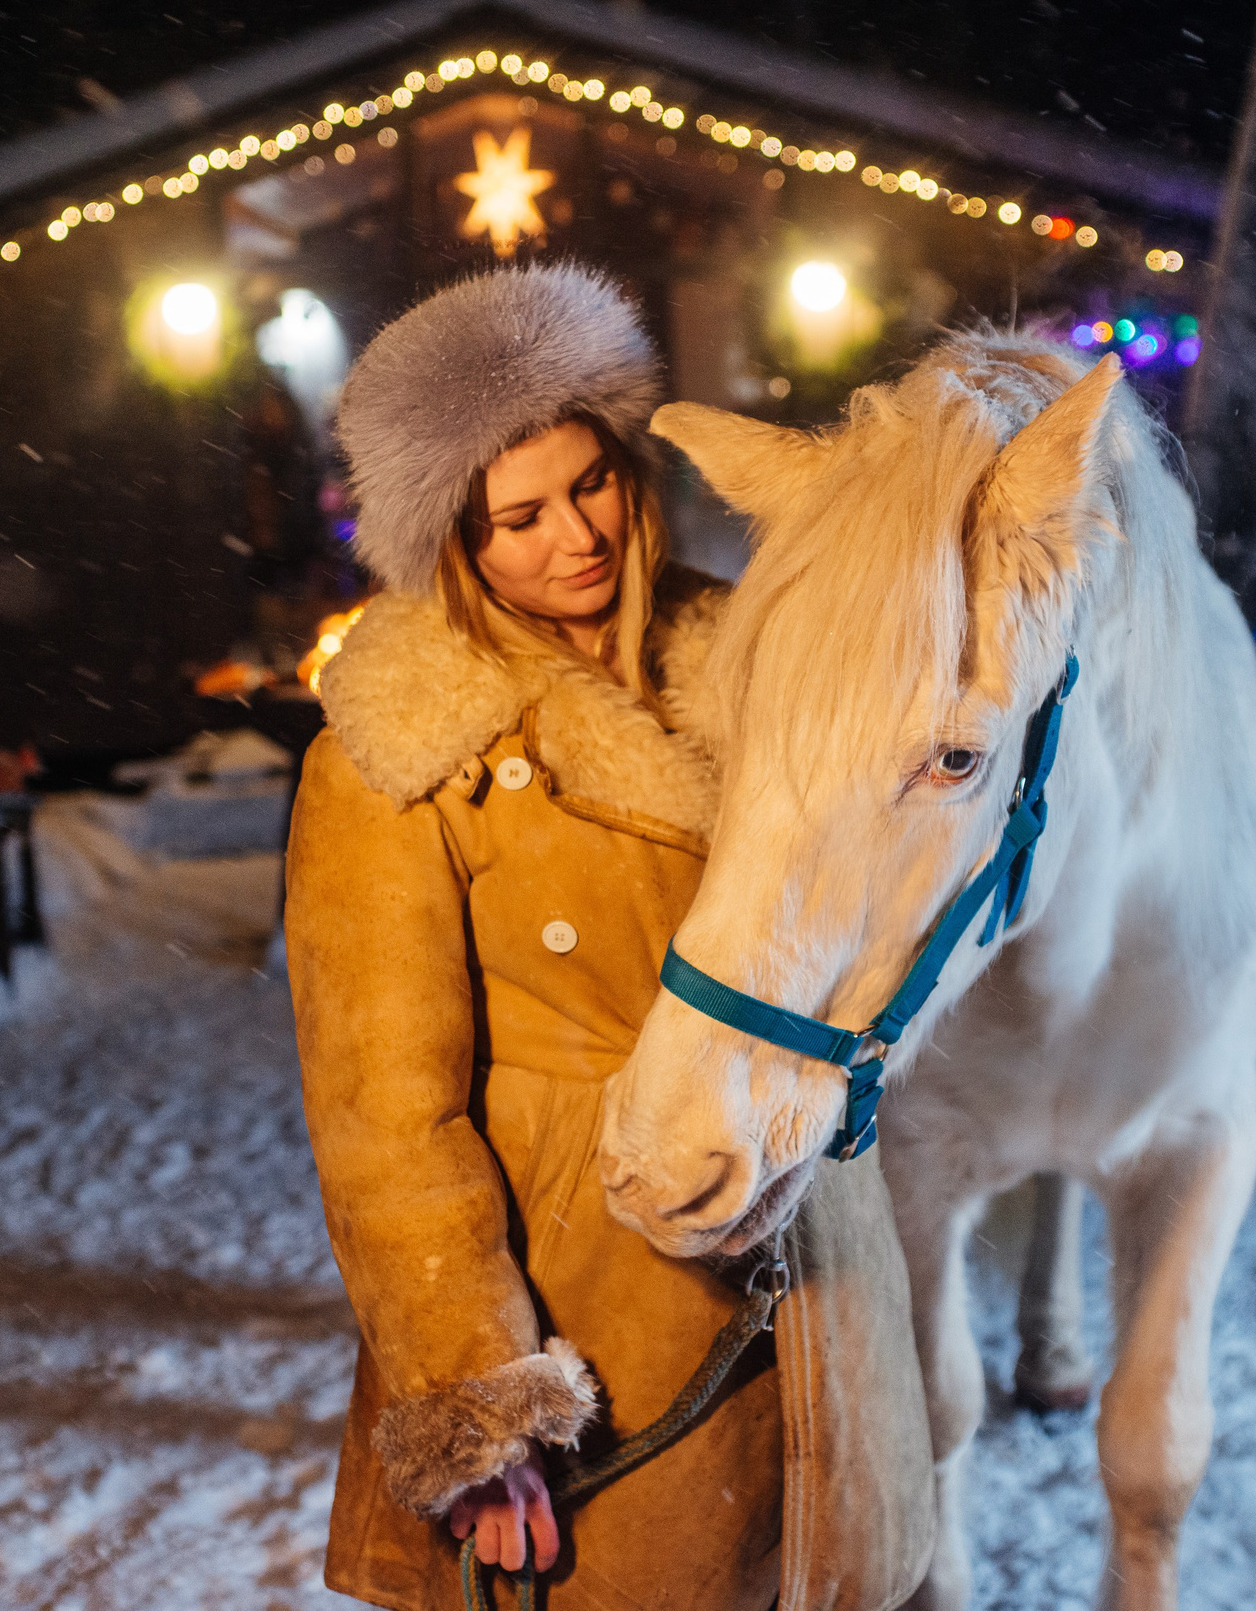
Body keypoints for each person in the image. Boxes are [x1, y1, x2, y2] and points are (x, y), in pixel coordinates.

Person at [285, 264, 933, 1611]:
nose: (571, 536)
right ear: (453, 541)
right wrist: (480, 1394)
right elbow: (383, 1117)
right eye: (515, 516)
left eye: (588, 482)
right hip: (592, 1292)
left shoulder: (757, 663)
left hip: (807, 1238)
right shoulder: (397, 750)